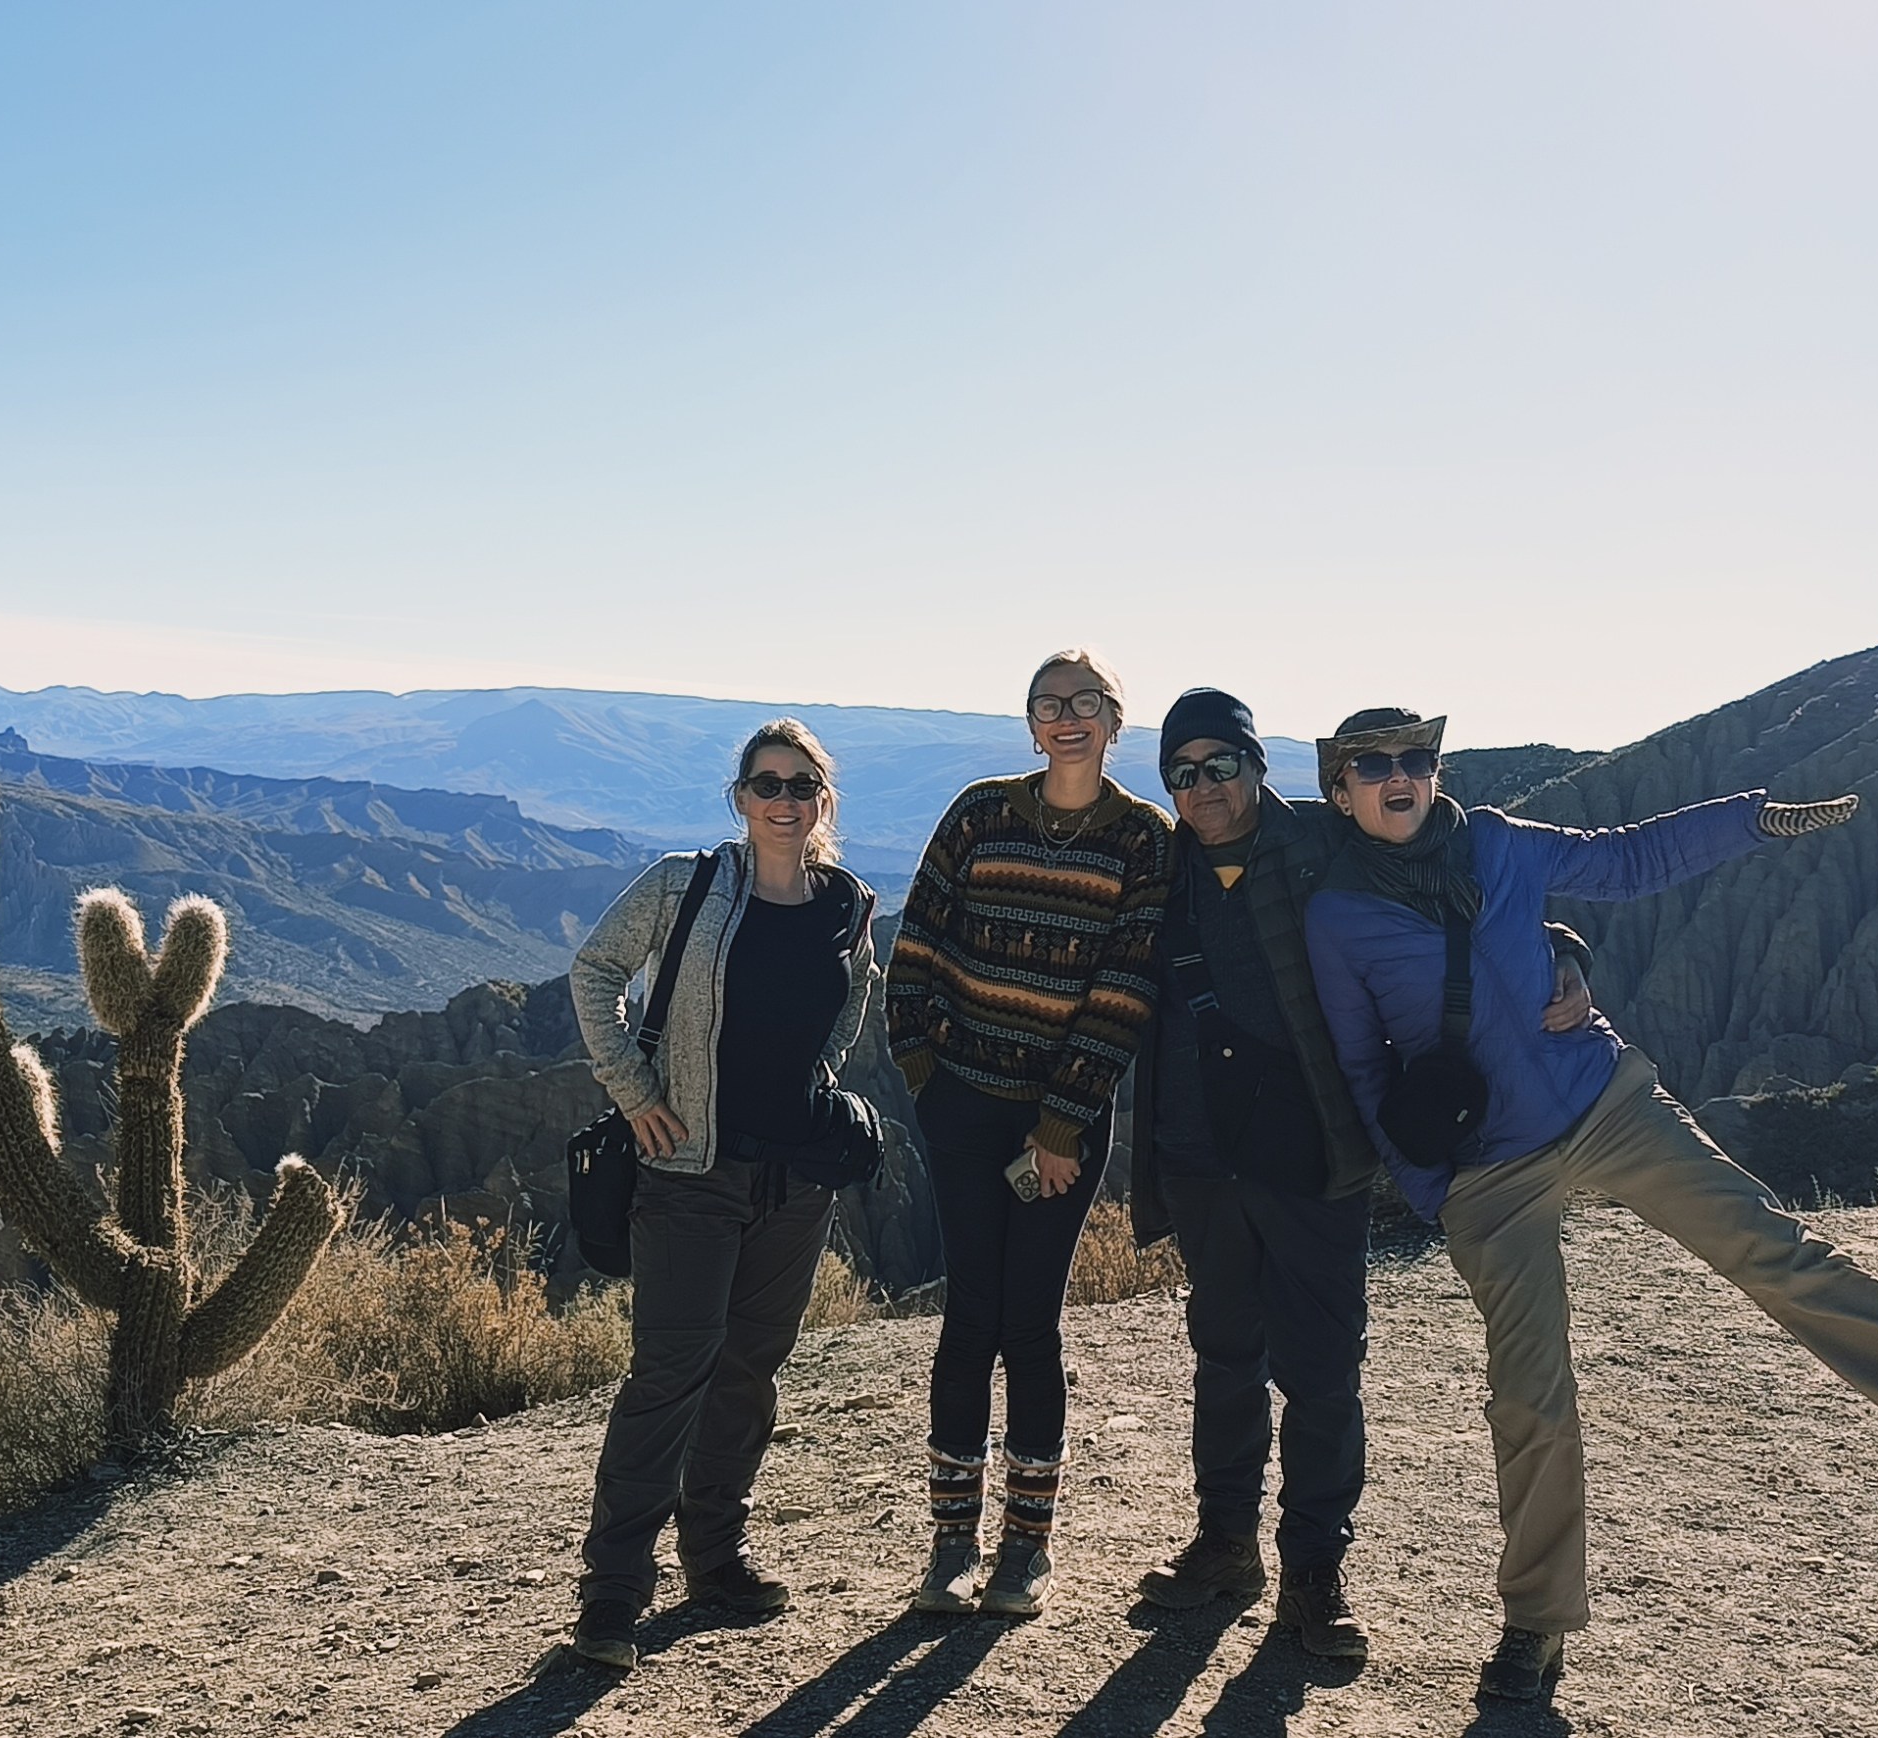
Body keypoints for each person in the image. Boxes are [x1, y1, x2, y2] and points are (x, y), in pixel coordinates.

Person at [1300, 707, 1878, 1704]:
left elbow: (1625, 859)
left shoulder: (1495, 842)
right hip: (1486, 1164)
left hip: (1601, 1102)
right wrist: (1432, 1188)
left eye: (1417, 757)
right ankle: (1537, 1623)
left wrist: (1751, 820)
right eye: (1373, 765)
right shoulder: (1336, 916)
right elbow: (1359, 1063)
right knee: (1530, 1393)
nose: (1400, 775)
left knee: (1771, 1248)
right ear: (1340, 792)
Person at [1118, 689, 1605, 1662]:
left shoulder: (1323, 843)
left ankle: (1314, 1573)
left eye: (1222, 764)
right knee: (1224, 1354)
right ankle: (1224, 1545)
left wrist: (1561, 950)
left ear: (1258, 767)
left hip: (1315, 1149)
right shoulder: (1155, 869)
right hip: (1201, 1153)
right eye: (1183, 771)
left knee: (1321, 1369)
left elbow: (1452, 892)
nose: (1204, 786)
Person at [561, 720, 886, 1672]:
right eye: (766, 784)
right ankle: (613, 1595)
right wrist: (636, 1092)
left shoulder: (848, 902)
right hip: (688, 1172)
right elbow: (595, 970)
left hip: (796, 1184)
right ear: (740, 797)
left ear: (823, 800)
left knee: (748, 1373)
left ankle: (713, 1559)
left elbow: (851, 1003)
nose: (784, 801)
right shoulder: (685, 885)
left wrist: (822, 1081)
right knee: (671, 1375)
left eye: (801, 785)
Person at [885, 648, 1174, 1618]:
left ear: (1114, 721)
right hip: (962, 1104)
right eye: (1049, 703)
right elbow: (917, 947)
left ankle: (1026, 1548)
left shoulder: (1142, 840)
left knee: (1030, 1325)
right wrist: (925, 1079)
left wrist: (1058, 1124)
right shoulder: (980, 814)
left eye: (1085, 703)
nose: (1066, 717)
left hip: (1065, 1124)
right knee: (970, 1316)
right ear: (1030, 721)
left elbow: (1124, 990)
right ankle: (951, 1545)